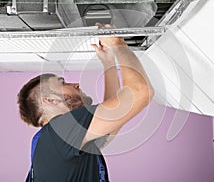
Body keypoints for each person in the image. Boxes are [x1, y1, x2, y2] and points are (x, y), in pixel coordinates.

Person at [17, 23, 154, 182]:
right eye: (63, 83)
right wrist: (118, 44)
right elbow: (140, 92)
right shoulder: (60, 132)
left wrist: (109, 63)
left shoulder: (51, 142)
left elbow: (113, 118)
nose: (75, 84)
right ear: (49, 100)